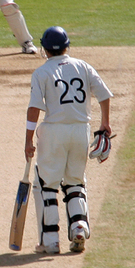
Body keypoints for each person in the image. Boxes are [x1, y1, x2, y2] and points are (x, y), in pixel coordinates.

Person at [24, 26, 113, 255]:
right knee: (75, 182)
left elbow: (34, 108)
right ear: (67, 46)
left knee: (47, 185)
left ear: (44, 49)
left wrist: (28, 139)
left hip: (54, 132)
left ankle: (50, 241)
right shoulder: (83, 66)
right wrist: (105, 123)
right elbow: (104, 94)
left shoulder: (42, 72)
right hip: (81, 131)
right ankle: (80, 227)